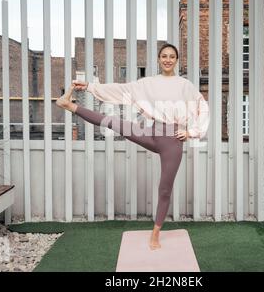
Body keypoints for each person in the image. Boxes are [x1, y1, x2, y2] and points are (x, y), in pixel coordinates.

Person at [56, 43, 209, 250]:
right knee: (112, 122)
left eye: (172, 56)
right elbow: (121, 90)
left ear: (176, 59)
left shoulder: (185, 85)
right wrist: (90, 87)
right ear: (158, 59)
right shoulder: (148, 83)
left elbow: (202, 107)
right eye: (164, 56)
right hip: (152, 133)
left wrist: (192, 132)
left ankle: (155, 233)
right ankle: (70, 105)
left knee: (165, 189)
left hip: (172, 142)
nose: (167, 59)